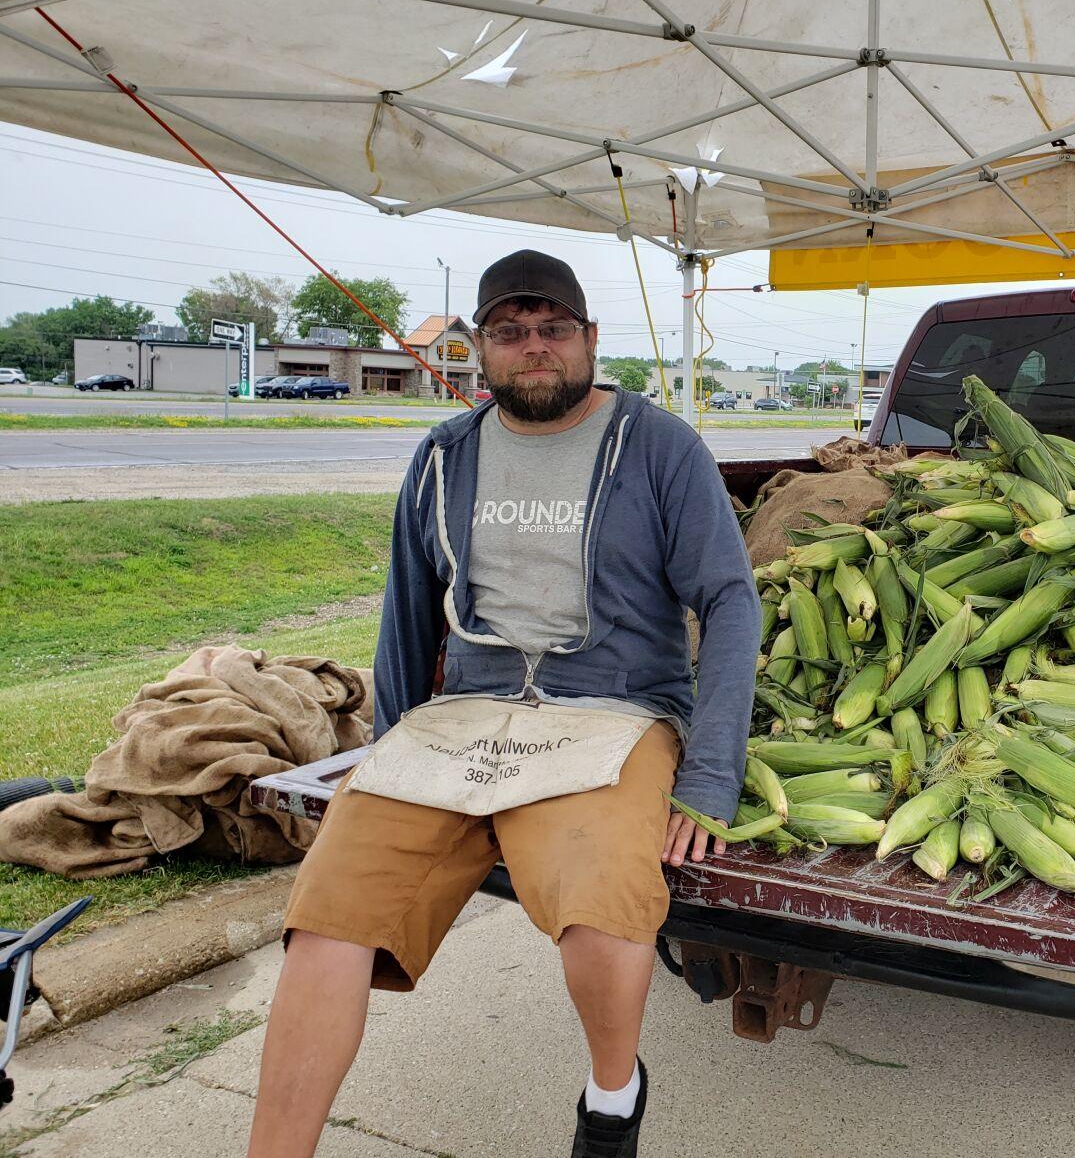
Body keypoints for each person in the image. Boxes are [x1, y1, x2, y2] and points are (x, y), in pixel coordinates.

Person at [247, 250, 760, 1158]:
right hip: (463, 717)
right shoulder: (444, 456)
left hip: (614, 712)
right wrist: (392, 744)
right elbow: (408, 611)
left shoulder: (657, 446)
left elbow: (729, 601)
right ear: (480, 348)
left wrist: (711, 773)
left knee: (603, 907)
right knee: (327, 918)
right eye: (510, 332)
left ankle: (612, 1096)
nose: (535, 350)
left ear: (590, 340)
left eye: (553, 329)